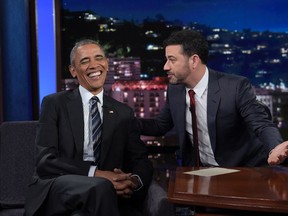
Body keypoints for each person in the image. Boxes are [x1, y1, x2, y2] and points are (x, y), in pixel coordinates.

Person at [25, 39, 153, 216]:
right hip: (60, 186)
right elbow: (45, 161)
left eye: (99, 58)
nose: (94, 65)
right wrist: (97, 173)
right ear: (73, 71)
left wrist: (132, 181)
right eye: (85, 61)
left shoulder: (123, 112)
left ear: (106, 64)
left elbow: (141, 160)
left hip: (105, 194)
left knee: (100, 192)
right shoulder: (54, 104)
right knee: (100, 186)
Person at [138, 29, 288, 167]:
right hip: (198, 172)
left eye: (172, 59)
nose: (166, 66)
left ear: (194, 61)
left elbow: (261, 124)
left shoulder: (235, 87)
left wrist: (274, 148)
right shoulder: (175, 89)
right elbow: (160, 125)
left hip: (241, 171)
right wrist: (123, 120)